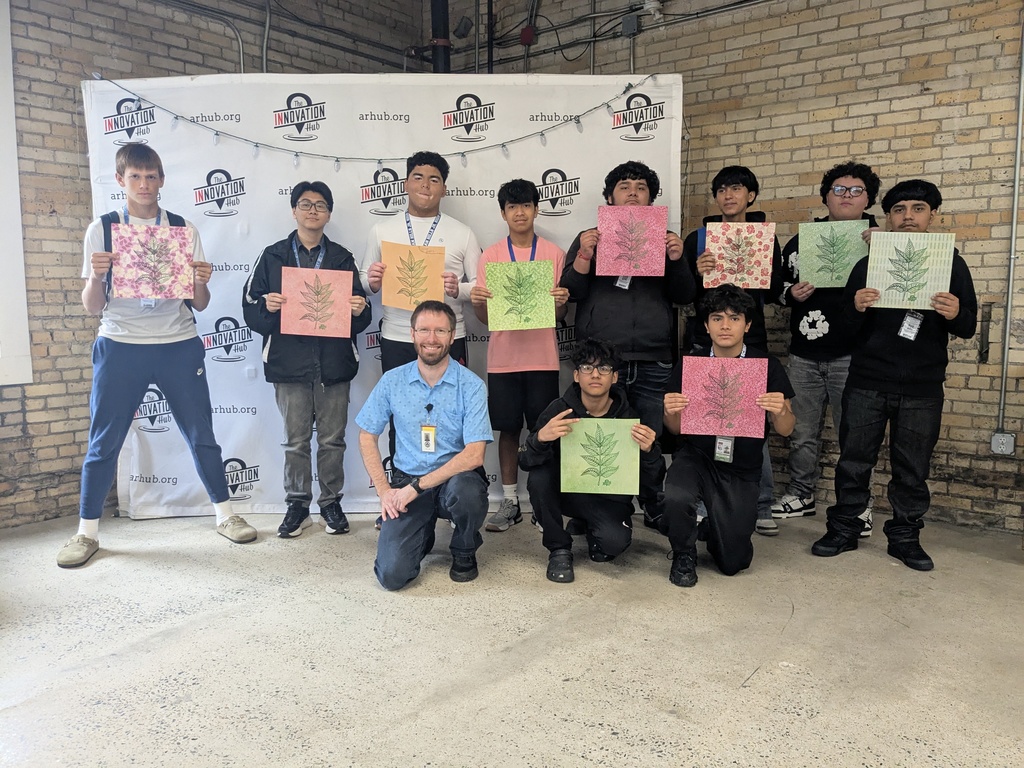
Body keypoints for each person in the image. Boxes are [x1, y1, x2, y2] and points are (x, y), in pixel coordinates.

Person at [57, 143, 257, 568]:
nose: (144, 185)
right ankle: (86, 532)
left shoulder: (183, 230)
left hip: (177, 344)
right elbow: (93, 306)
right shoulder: (104, 229)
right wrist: (97, 274)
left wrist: (202, 281)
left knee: (201, 433)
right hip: (120, 343)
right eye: (135, 177)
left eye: (151, 177)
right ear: (121, 181)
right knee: (103, 442)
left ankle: (225, 514)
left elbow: (199, 304)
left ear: (163, 180)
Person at [811, 180, 977, 571]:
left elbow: (968, 325)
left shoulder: (951, 261)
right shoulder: (868, 263)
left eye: (917, 209)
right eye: (899, 209)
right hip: (867, 379)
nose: (908, 216)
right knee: (853, 460)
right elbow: (845, 327)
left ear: (932, 215)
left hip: (922, 385)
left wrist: (955, 313)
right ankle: (845, 528)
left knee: (913, 467)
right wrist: (855, 305)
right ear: (889, 216)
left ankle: (905, 536)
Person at [560, 160, 693, 522]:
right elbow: (570, 293)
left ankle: (653, 506)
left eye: (641, 187)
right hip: (601, 359)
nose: (633, 192)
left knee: (647, 437)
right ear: (609, 197)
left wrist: (678, 259)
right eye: (624, 186)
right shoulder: (590, 236)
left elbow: (685, 295)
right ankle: (589, 511)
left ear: (651, 199)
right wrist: (587, 253)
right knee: (592, 433)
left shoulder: (667, 240)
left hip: (652, 357)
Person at [242, 181, 372, 539]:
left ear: (328, 213)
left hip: (333, 363)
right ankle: (297, 505)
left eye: (320, 205)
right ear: (293, 210)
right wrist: (267, 307)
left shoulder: (343, 258)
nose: (313, 210)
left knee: (333, 440)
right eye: (305, 204)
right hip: (289, 362)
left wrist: (359, 310)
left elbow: (362, 316)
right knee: (295, 441)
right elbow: (250, 310)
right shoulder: (273, 255)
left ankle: (331, 503)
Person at [661, 284, 795, 587]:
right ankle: (683, 552)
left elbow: (787, 430)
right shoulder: (691, 365)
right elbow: (675, 429)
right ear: (706, 326)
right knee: (676, 495)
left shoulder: (765, 366)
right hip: (697, 457)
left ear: (747, 325)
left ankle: (712, 527)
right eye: (717, 318)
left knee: (734, 562)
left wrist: (780, 411)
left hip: (741, 467)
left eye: (734, 319)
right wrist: (670, 411)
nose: (725, 325)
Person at [772, 162, 881, 536]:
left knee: (857, 435)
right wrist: (791, 293)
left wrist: (879, 248)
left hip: (858, 354)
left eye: (856, 190)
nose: (847, 196)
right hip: (804, 352)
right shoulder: (803, 240)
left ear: (869, 198)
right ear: (825, 196)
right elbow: (776, 287)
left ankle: (857, 505)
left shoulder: (881, 239)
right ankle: (801, 493)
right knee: (802, 431)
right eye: (839, 189)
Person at [356, 300, 492, 590]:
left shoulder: (471, 385)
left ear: (452, 336)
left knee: (467, 491)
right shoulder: (392, 380)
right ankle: (422, 533)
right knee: (392, 576)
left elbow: (474, 455)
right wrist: (384, 491)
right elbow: (367, 434)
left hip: (454, 480)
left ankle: (464, 548)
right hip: (407, 480)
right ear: (413, 334)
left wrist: (415, 489)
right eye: (425, 330)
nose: (432, 339)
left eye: (440, 331)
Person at [681, 165, 786, 536]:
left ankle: (759, 503)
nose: (729, 195)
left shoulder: (763, 236)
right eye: (722, 190)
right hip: (704, 336)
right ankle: (697, 499)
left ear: (750, 196)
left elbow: (773, 288)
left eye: (737, 189)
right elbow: (685, 294)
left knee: (752, 419)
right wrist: (696, 270)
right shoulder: (698, 237)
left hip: (748, 338)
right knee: (704, 414)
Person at [470, 179, 569, 533]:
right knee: (508, 431)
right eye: (512, 207)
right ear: (503, 213)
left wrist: (560, 305)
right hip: (503, 359)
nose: (520, 212)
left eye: (526, 205)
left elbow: (558, 317)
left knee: (545, 431)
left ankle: (543, 505)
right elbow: (485, 319)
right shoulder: (492, 256)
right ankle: (510, 501)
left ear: (536, 208)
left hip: (543, 358)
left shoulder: (554, 254)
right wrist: (479, 304)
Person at [518, 339, 663, 583]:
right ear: (576, 375)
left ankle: (588, 525)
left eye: (604, 368)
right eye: (587, 368)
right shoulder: (559, 410)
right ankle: (559, 548)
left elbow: (650, 481)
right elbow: (525, 460)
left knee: (613, 545)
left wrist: (650, 451)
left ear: (614, 377)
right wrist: (540, 438)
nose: (595, 374)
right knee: (540, 477)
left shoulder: (630, 416)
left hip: (609, 499)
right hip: (567, 493)